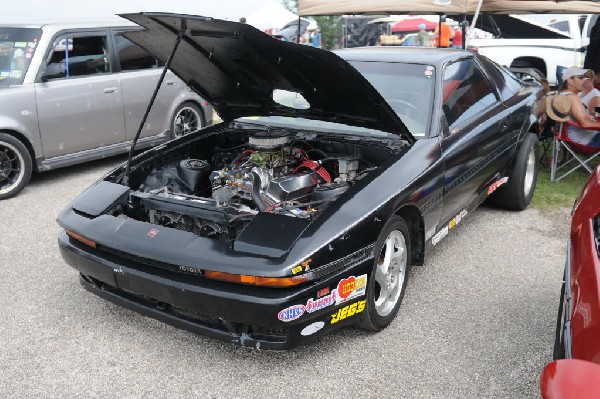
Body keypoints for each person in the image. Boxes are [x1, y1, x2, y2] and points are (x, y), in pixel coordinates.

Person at [546, 66, 600, 147]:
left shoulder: (559, 94)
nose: (584, 80)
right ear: (570, 80)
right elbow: (584, 123)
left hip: (569, 138)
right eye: (581, 77)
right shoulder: (572, 97)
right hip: (584, 140)